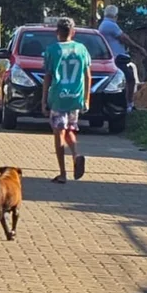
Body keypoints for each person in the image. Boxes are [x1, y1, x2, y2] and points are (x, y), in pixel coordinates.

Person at [41, 17, 92, 184]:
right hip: (75, 97)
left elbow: (48, 76)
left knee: (59, 133)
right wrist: (86, 98)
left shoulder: (52, 50)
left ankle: (62, 173)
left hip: (59, 96)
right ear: (73, 32)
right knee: (70, 129)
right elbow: (88, 75)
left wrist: (43, 101)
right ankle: (76, 155)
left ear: (57, 32)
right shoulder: (82, 49)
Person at [97, 5, 144, 104]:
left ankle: (125, 102)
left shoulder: (104, 24)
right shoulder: (110, 25)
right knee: (129, 79)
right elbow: (124, 38)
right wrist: (138, 47)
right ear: (116, 15)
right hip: (117, 58)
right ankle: (128, 103)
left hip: (114, 58)